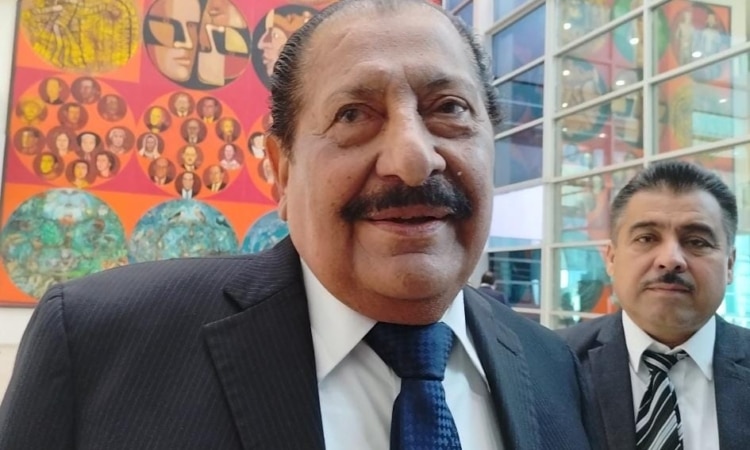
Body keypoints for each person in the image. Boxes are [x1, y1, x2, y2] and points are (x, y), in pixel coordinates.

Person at [0, 2, 597, 449]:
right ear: (281, 171)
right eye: (353, 114)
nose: (414, 159)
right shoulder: (99, 344)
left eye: (449, 109)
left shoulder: (552, 367)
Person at [560, 161, 750, 450]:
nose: (670, 259)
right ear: (611, 258)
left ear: (730, 265)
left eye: (697, 241)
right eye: (646, 238)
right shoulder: (552, 363)